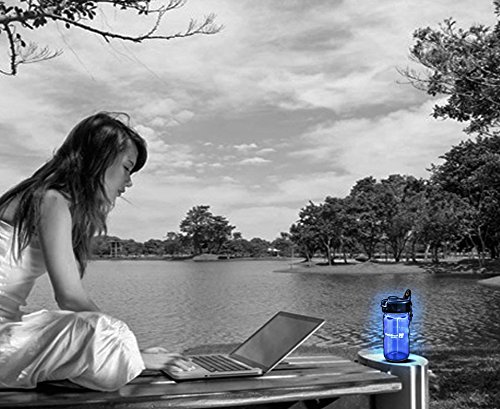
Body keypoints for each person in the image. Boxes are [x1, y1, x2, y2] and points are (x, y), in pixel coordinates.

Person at [0, 112, 192, 391]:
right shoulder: (50, 199)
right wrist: (130, 351)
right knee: (103, 332)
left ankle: (114, 359)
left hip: (7, 332)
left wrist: (124, 349)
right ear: (99, 159)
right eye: (127, 168)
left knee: (94, 330)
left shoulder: (40, 196)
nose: (129, 182)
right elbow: (69, 297)